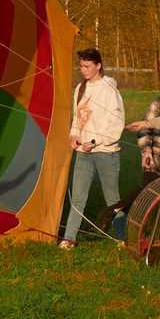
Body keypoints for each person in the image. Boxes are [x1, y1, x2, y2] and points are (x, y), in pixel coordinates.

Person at [59, 48, 123, 249]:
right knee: (77, 197)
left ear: (98, 66)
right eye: (81, 66)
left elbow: (117, 124)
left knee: (112, 199)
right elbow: (78, 118)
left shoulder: (109, 90)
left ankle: (123, 239)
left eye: (87, 66)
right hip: (83, 153)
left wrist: (95, 141)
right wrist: (74, 135)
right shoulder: (80, 88)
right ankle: (69, 239)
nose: (83, 70)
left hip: (106, 153)